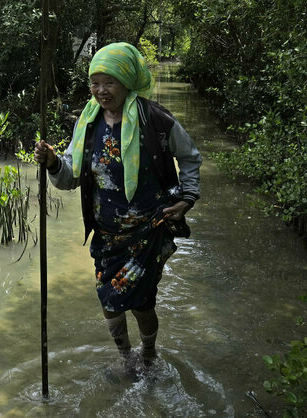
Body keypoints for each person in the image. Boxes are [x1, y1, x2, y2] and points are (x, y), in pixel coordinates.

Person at [34, 42, 202, 372]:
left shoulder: (155, 120)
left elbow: (190, 156)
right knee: (108, 301)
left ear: (126, 81)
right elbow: (71, 176)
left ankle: (149, 353)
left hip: (149, 230)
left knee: (140, 302)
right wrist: (53, 162)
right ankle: (126, 357)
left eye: (109, 82)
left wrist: (187, 197)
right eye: (95, 83)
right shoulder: (88, 123)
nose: (101, 90)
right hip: (106, 235)